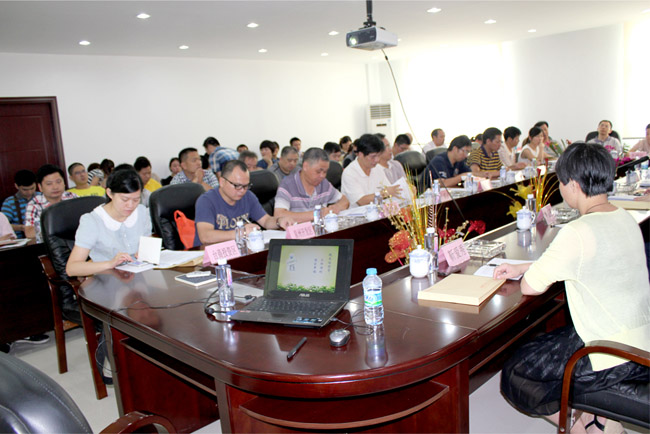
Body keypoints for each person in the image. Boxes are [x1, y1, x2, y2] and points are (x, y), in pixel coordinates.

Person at [494, 142, 649, 433]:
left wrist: (526, 272)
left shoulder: (577, 231)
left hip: (608, 353)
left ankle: (580, 427)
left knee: (517, 373)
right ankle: (599, 420)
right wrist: (525, 265)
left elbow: (529, 287)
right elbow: (595, 260)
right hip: (640, 341)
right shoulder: (624, 217)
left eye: (561, 182)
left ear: (573, 185)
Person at [66, 168, 152, 277]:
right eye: (124, 199)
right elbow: (72, 268)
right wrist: (110, 263)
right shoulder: (92, 221)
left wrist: (146, 252)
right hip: (106, 279)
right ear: (110, 193)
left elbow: (148, 244)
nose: (130, 205)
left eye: (136, 200)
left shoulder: (141, 212)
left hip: (139, 277)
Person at [194, 160, 293, 246]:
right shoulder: (206, 201)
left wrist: (279, 221)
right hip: (207, 254)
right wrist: (241, 233)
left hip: (239, 249)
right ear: (222, 182)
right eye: (237, 185)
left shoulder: (248, 196)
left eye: (246, 186)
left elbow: (266, 221)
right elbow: (205, 236)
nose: (242, 190)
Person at [274, 148, 349, 222]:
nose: (322, 176)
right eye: (318, 172)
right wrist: (317, 214)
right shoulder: (287, 185)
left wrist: (337, 207)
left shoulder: (324, 183)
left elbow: (344, 200)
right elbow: (278, 215)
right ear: (305, 166)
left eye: (325, 172)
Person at [341, 133, 400, 207]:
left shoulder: (377, 168)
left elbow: (389, 189)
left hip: (378, 210)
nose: (377, 160)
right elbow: (361, 201)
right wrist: (385, 193)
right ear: (360, 154)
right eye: (373, 157)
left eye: (379, 156)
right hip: (358, 213)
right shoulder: (349, 173)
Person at [25, 164, 78, 242]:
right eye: (49, 184)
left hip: (75, 241)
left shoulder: (72, 197)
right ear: (40, 187)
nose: (55, 187)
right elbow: (29, 233)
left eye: (58, 182)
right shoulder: (34, 204)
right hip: (51, 244)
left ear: (64, 183)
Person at [2, 169, 40, 238]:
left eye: (32, 188)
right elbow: (2, 225)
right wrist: (21, 228)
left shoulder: (42, 197)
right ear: (16, 186)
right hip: (21, 239)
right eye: (25, 190)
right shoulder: (9, 203)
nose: (29, 192)